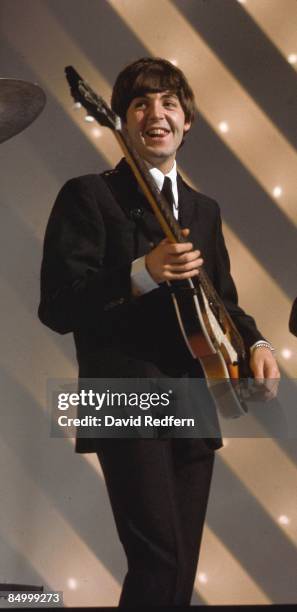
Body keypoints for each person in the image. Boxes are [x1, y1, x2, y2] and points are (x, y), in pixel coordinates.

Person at [38, 57, 280, 607]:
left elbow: (225, 304)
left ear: (187, 120)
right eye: (141, 103)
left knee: (179, 569)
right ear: (121, 120)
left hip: (195, 395)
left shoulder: (203, 208)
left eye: (170, 102)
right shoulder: (88, 196)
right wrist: (141, 272)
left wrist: (259, 344)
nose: (157, 114)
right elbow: (57, 307)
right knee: (159, 558)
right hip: (123, 392)